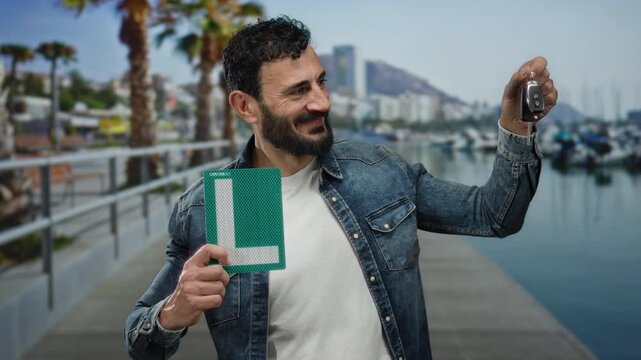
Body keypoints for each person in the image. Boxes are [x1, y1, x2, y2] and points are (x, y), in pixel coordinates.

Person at [125, 16, 557, 360]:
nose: (321, 102)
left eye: (321, 81)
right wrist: (173, 313)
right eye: (298, 91)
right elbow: (140, 341)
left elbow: (493, 216)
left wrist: (516, 124)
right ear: (245, 106)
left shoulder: (377, 172)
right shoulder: (227, 204)